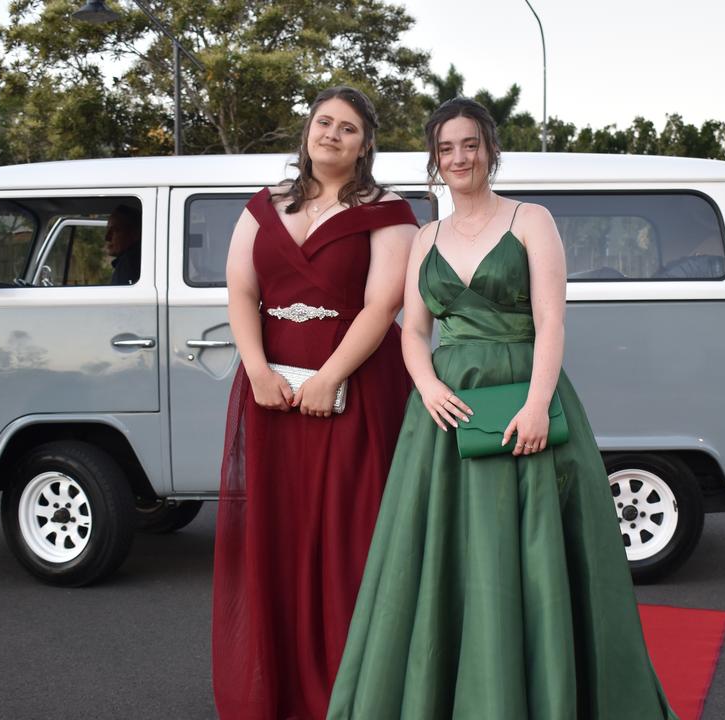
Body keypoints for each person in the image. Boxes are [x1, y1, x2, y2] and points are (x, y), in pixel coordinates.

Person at [326, 98, 678, 719]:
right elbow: (413, 331)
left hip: (525, 398)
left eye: (470, 144)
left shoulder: (529, 220)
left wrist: (540, 404)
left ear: (490, 149)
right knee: (443, 558)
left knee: (535, 553)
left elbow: (550, 321)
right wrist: (428, 387)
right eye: (446, 148)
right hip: (447, 412)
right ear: (435, 160)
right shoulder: (425, 236)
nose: (459, 157)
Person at [212, 86, 418, 720]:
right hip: (271, 395)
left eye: (348, 128)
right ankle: (278, 688)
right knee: (278, 533)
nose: (332, 134)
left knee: (352, 533)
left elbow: (385, 304)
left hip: (356, 390)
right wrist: (256, 369)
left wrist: (328, 377)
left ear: (366, 145)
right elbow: (241, 293)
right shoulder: (261, 207)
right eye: (324, 122)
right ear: (307, 131)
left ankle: (353, 691)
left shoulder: (389, 212)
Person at [105, 203, 141, 285]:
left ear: (134, 234)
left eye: (115, 230)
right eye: (107, 230)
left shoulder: (128, 264)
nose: (107, 237)